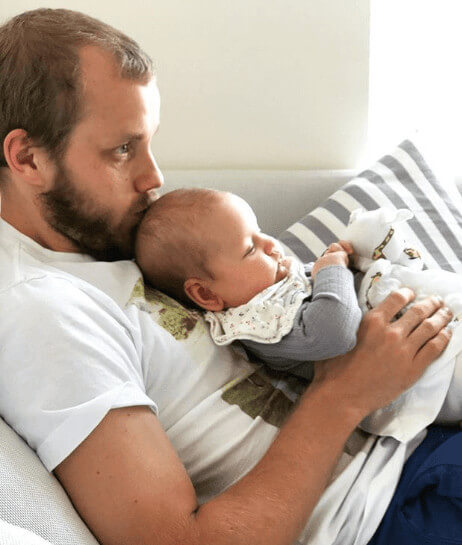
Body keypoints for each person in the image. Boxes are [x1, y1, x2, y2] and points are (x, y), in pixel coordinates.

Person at [0, 8, 455, 545]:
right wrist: (347, 391)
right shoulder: (43, 314)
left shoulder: (105, 239)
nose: (154, 176)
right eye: (123, 149)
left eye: (148, 142)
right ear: (28, 158)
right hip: (383, 514)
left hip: (409, 448)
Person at [135, 187, 363, 381]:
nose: (271, 244)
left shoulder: (277, 282)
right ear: (206, 294)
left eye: (260, 232)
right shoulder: (257, 324)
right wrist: (332, 269)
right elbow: (334, 332)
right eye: (250, 249)